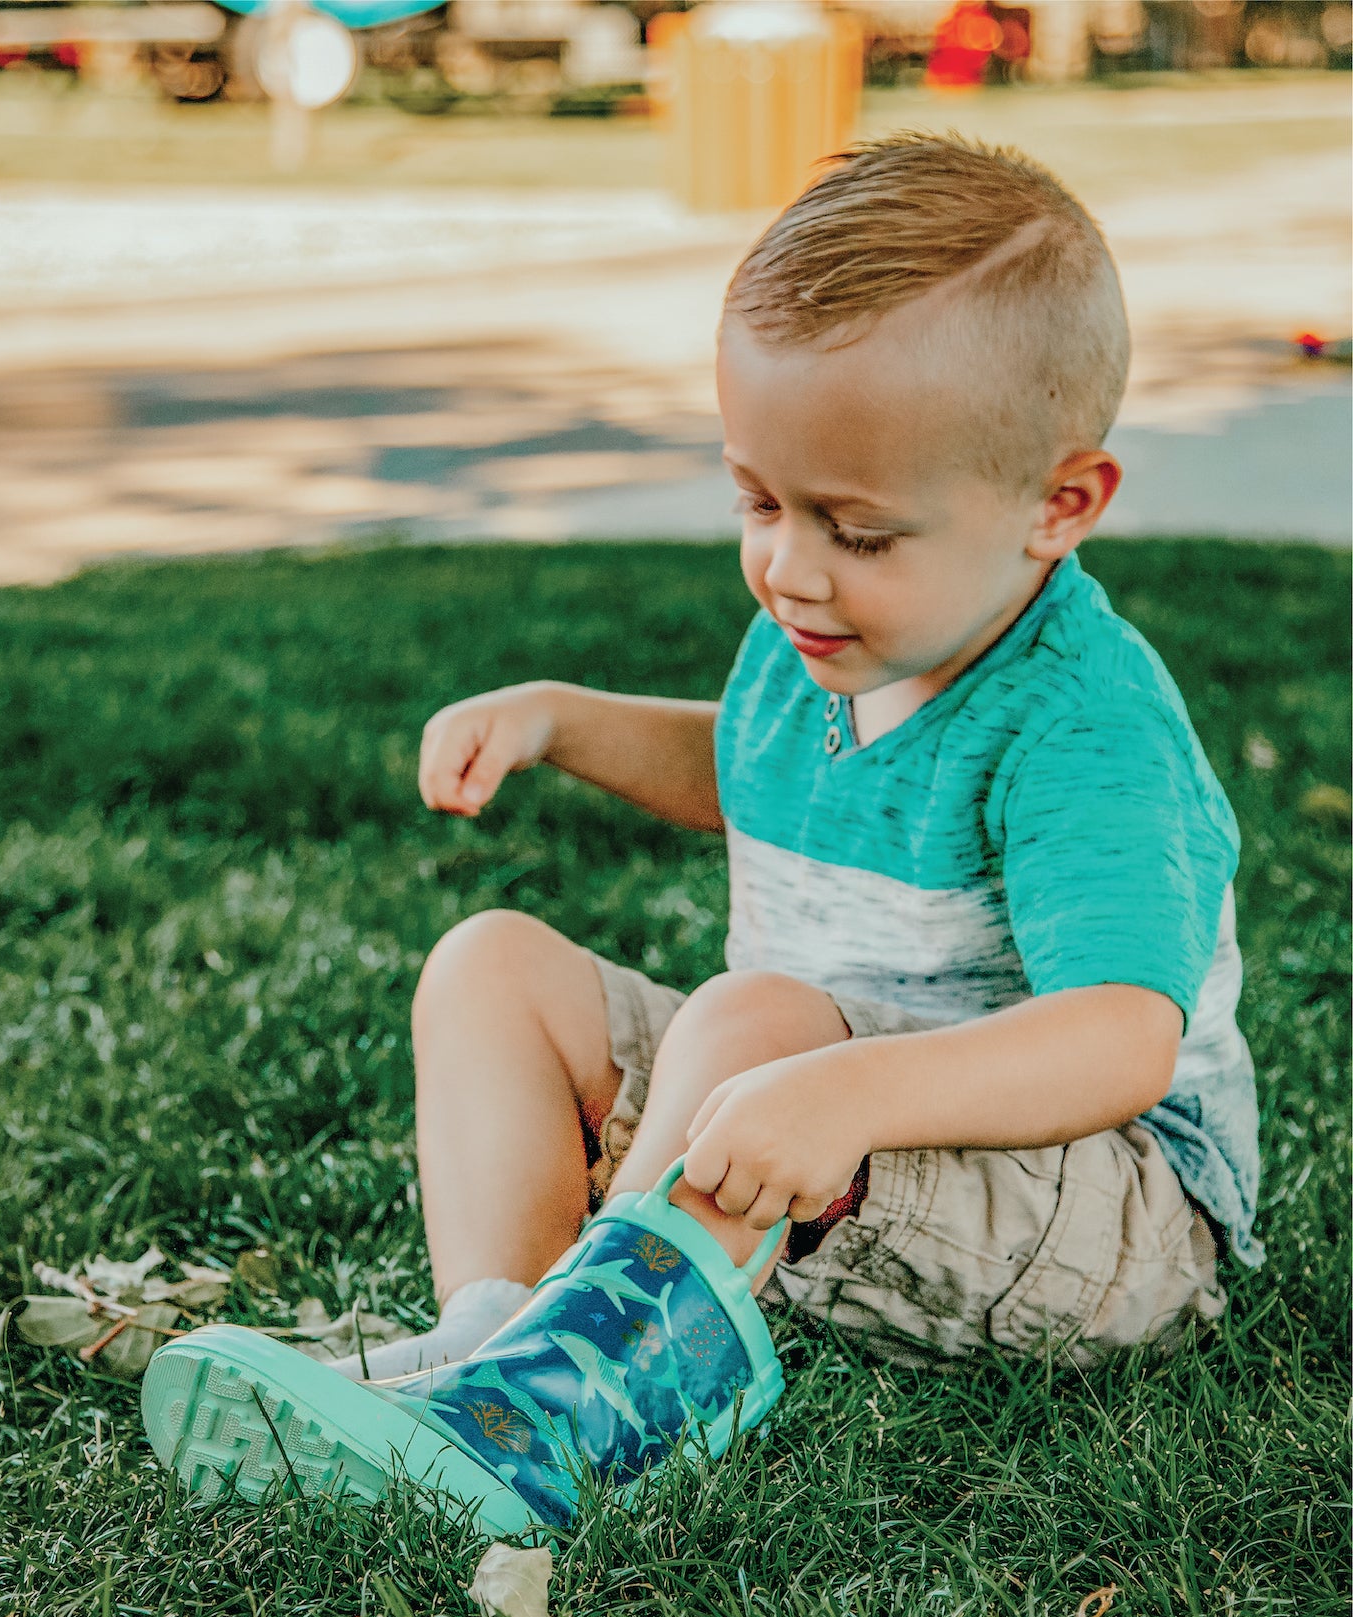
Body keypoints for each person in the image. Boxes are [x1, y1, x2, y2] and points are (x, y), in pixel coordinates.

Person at [141, 134, 1259, 1525]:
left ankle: (557, 1421)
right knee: (491, 963)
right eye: (759, 500)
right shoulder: (829, 641)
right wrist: (561, 716)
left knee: (752, 1020)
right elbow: (754, 773)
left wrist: (840, 1096)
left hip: (1107, 1219)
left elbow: (1117, 1036)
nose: (789, 565)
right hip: (814, 1112)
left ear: (1061, 505)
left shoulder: (1085, 727)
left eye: (857, 528)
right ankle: (500, 1339)